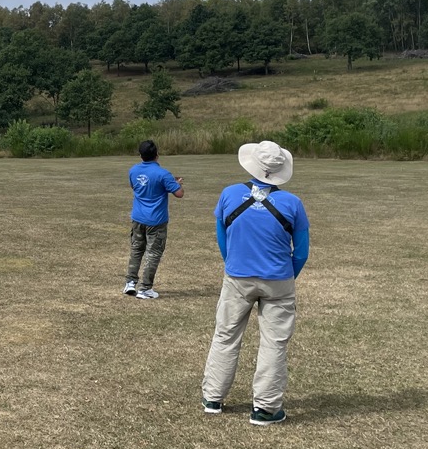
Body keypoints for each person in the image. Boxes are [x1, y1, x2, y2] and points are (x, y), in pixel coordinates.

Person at [201, 140, 310, 425]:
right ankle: (266, 408)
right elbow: (301, 252)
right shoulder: (292, 203)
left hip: (237, 277)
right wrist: (286, 276)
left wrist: (233, 263)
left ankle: (213, 397)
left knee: (225, 335)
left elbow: (223, 237)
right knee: (274, 343)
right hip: (279, 281)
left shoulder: (229, 194)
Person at [123, 139, 184, 299]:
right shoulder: (163, 174)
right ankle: (145, 288)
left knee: (136, 250)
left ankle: (130, 282)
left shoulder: (133, 170)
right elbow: (179, 194)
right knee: (153, 253)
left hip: (137, 218)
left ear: (140, 155)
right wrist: (177, 183)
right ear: (157, 155)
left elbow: (135, 186)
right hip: (156, 220)